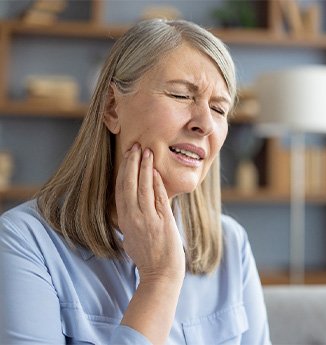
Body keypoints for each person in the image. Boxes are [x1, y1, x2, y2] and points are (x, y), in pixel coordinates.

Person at [0, 19, 271, 345]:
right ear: (112, 108)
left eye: (218, 108)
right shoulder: (22, 243)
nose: (205, 124)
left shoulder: (232, 245)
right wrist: (160, 281)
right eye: (181, 95)